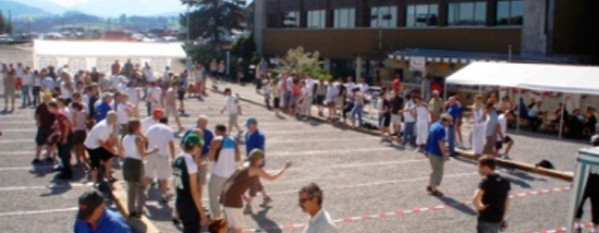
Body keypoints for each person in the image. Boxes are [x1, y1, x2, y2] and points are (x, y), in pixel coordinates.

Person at [221, 149, 291, 233]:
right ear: (258, 159)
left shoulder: (243, 166)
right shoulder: (255, 169)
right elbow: (271, 178)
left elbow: (236, 182)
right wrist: (284, 168)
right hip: (233, 198)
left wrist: (244, 197)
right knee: (237, 228)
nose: (262, 160)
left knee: (231, 226)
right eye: (262, 159)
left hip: (226, 195)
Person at [173, 132, 209, 233]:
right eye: (199, 146)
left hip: (180, 200)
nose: (199, 149)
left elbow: (175, 182)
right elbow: (194, 191)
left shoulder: (178, 158)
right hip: (189, 203)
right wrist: (202, 213)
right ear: (193, 146)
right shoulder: (190, 163)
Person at [122, 119, 158, 218]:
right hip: (136, 163)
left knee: (131, 189)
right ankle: (139, 210)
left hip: (127, 162)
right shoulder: (137, 139)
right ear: (137, 127)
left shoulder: (126, 137)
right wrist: (153, 150)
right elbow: (142, 153)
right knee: (140, 188)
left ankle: (131, 210)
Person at [207, 124, 241, 218]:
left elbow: (210, 158)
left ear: (217, 131)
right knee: (227, 197)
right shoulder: (233, 140)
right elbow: (238, 158)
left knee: (213, 196)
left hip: (218, 172)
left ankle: (217, 217)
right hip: (230, 174)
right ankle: (227, 217)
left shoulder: (216, 140)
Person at [472, 155, 511, 233]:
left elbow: (475, 198)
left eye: (479, 167)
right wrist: (502, 216)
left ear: (485, 167)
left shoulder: (486, 181)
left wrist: (480, 207)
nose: (478, 169)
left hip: (486, 218)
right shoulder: (505, 181)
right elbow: (507, 201)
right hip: (498, 218)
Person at [243, 117, 272, 213]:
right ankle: (266, 197)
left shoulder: (260, 136)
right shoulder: (247, 134)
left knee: (253, 183)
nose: (247, 126)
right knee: (255, 182)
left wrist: (255, 163)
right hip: (249, 161)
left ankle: (248, 205)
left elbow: (260, 152)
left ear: (255, 124)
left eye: (248, 125)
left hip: (256, 163)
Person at [145, 117, 176, 202]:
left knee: (148, 175)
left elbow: (146, 141)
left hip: (151, 154)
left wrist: (146, 152)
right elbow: (171, 145)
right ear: (167, 122)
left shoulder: (151, 128)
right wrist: (173, 158)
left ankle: (142, 193)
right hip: (162, 156)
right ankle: (163, 194)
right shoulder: (168, 130)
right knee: (163, 177)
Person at [84, 111, 119, 184]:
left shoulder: (110, 124)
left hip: (98, 145)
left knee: (110, 156)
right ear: (112, 119)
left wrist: (113, 147)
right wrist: (111, 149)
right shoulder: (103, 127)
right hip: (92, 146)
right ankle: (94, 182)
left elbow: (110, 136)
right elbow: (101, 142)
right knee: (95, 164)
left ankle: (107, 176)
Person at [574, 135, 599, 232]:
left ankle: (577, 224)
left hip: (584, 183)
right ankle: (594, 228)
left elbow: (577, 167)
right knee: (596, 206)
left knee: (579, 204)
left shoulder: (585, 153)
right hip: (597, 184)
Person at [425, 114, 453, 197]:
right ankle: (434, 189)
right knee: (438, 171)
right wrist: (444, 154)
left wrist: (426, 150)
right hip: (436, 152)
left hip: (430, 151)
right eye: (449, 122)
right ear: (445, 121)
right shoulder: (441, 129)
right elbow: (441, 143)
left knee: (434, 170)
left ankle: (430, 185)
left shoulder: (434, 125)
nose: (449, 124)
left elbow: (429, 138)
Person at [47, 101, 73, 180]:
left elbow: (67, 125)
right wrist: (53, 135)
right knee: (62, 154)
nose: (48, 109)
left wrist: (65, 137)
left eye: (49, 107)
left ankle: (67, 173)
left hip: (68, 136)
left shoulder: (60, 114)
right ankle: (64, 169)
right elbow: (60, 127)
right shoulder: (57, 115)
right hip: (63, 136)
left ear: (53, 107)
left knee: (65, 155)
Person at [33, 92, 57, 164]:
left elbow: (57, 115)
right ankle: (37, 157)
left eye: (48, 98)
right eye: (45, 98)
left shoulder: (54, 105)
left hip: (51, 127)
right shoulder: (40, 106)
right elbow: (37, 114)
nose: (46, 99)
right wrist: (37, 121)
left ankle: (49, 156)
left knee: (50, 143)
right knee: (39, 143)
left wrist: (56, 124)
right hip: (42, 126)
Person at [71, 102, 89, 168]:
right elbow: (86, 121)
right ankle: (85, 159)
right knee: (82, 147)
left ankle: (78, 160)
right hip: (83, 130)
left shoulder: (74, 113)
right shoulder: (84, 112)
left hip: (77, 131)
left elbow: (73, 123)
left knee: (76, 147)